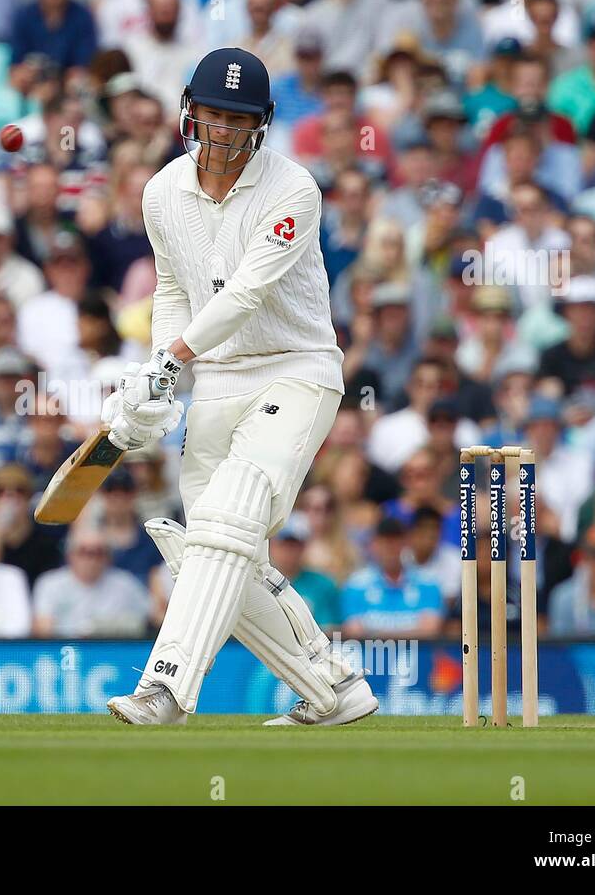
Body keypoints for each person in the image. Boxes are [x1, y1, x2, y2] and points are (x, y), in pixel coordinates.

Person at [104, 49, 374, 728]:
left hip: (296, 367)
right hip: (218, 381)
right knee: (221, 549)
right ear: (190, 111)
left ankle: (165, 689)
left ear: (262, 124)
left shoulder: (294, 190)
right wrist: (158, 373)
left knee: (228, 517)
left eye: (238, 119)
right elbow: (171, 288)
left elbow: (250, 292)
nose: (222, 131)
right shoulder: (162, 191)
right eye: (213, 115)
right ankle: (332, 686)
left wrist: (174, 358)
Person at [32, 524, 150, 637]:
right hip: (66, 653)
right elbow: (43, 629)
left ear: (109, 557)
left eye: (98, 553)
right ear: (70, 555)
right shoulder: (50, 584)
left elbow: (148, 621)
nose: (91, 560)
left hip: (112, 653)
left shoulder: (127, 584)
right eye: (84, 552)